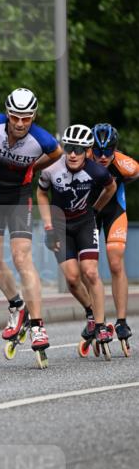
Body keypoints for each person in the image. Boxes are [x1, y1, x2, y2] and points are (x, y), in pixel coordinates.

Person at [0, 88, 62, 361]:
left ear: (34, 116)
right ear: (7, 114)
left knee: (21, 256)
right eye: (15, 117)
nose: (21, 123)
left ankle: (37, 325)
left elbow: (57, 153)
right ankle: (17, 305)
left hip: (19, 196)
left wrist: (31, 169)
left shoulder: (43, 140)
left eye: (27, 118)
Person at [36, 124, 117, 357]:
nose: (72, 154)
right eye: (69, 148)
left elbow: (110, 188)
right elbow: (41, 193)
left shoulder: (97, 172)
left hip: (84, 223)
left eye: (78, 149)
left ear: (88, 151)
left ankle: (101, 326)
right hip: (59, 225)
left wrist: (95, 208)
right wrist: (48, 226)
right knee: (72, 278)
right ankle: (91, 313)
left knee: (90, 272)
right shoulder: (51, 168)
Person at [89, 122, 139, 353]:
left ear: (114, 149)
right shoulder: (83, 159)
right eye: (98, 151)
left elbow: (134, 173)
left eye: (108, 151)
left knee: (115, 260)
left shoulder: (125, 165)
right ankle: (94, 318)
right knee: (88, 268)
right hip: (89, 214)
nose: (102, 157)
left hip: (114, 211)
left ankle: (121, 321)